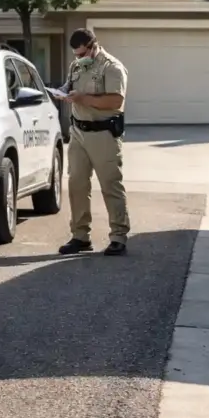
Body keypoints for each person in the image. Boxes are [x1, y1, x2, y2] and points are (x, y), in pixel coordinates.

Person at [57, 28, 131, 256]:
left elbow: (116, 101)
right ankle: (80, 236)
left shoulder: (112, 67)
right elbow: (70, 85)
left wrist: (83, 98)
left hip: (103, 135)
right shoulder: (76, 65)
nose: (78, 58)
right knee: (77, 185)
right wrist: (62, 92)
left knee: (111, 185)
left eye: (82, 54)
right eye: (75, 55)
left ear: (93, 45)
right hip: (78, 132)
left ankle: (118, 236)